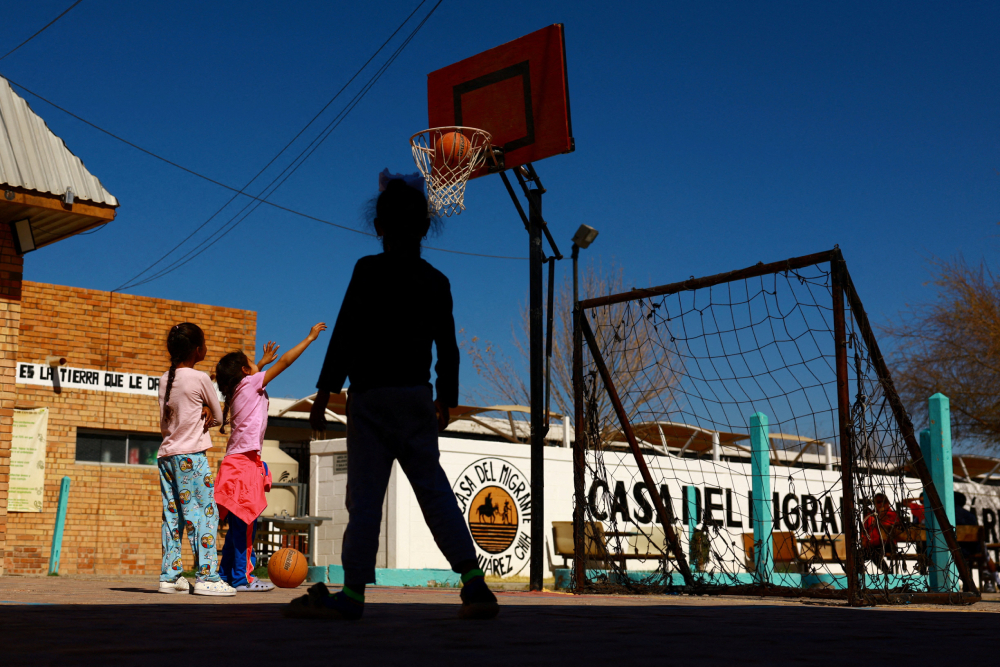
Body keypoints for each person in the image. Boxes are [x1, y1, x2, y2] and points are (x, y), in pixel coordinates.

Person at [286, 178, 498, 621]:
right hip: (416, 397)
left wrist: (325, 392)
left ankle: (354, 594)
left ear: (379, 226)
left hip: (371, 398)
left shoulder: (367, 270)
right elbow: (449, 346)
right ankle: (475, 584)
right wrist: (447, 399)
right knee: (436, 493)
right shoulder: (436, 281)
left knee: (364, 500)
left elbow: (344, 333)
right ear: (425, 229)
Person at [214, 324, 327, 591]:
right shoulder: (251, 383)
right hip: (244, 465)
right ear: (244, 372)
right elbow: (286, 361)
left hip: (236, 463)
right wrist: (309, 338)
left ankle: (226, 575)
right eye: (252, 363)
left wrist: (260, 362)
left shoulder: (237, 389)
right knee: (246, 525)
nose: (258, 366)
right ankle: (244, 579)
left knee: (237, 525)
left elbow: (253, 375)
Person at [157, 323, 235, 596]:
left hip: (166, 456)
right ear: (197, 349)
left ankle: (170, 576)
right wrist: (206, 411)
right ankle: (208, 578)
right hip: (191, 457)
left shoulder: (165, 378)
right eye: (205, 343)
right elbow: (218, 415)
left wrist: (197, 408)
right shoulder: (201, 377)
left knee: (173, 517)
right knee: (204, 515)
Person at [859, 493, 900, 574]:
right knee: (857, 554)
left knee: (874, 552)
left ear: (887, 503)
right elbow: (864, 530)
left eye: (883, 502)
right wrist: (863, 539)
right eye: (878, 502)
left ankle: (888, 573)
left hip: (887, 544)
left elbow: (892, 529)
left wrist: (881, 516)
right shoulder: (870, 515)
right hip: (871, 545)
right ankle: (858, 576)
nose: (881, 504)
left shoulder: (892, 515)